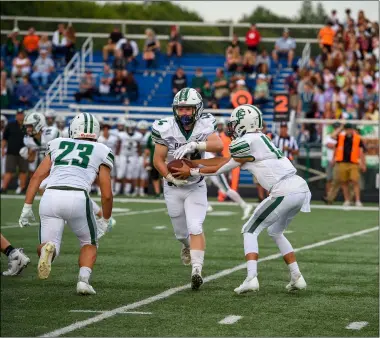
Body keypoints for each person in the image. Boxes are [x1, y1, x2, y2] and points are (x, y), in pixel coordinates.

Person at [172, 104, 311, 294]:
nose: (232, 127)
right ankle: (297, 277)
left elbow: (221, 168)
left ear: (245, 123)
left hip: (284, 189)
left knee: (249, 230)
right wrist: (197, 163)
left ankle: (251, 278)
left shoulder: (246, 141)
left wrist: (192, 170)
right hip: (300, 187)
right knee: (275, 232)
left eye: (235, 123)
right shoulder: (260, 138)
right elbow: (225, 162)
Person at [18, 113, 114, 295]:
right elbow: (106, 194)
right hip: (77, 197)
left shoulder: (57, 143)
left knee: (50, 244)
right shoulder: (102, 149)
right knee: (89, 242)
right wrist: (106, 218)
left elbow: (37, 176)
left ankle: (49, 249)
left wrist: (27, 206)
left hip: (50, 195)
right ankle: (83, 281)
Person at [152, 87, 223, 290]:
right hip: (172, 185)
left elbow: (217, 146)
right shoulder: (164, 127)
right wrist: (169, 177)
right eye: (181, 109)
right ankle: (185, 246)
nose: (184, 113)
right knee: (181, 234)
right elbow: (157, 159)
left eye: (188, 109)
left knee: (195, 227)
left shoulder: (205, 123)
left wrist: (195, 146)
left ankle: (197, 270)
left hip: (196, 184)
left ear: (197, 109)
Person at [204, 150, 253, 220]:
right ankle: (206, 205)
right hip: (205, 168)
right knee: (197, 186)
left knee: (226, 189)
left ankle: (245, 205)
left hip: (214, 167)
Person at [330, 123, 366, 206]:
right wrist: (341, 128)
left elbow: (361, 152)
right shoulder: (341, 137)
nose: (349, 131)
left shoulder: (357, 138)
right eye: (347, 129)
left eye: (350, 129)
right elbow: (332, 136)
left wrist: (363, 163)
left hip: (354, 163)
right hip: (342, 162)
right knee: (344, 182)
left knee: (355, 181)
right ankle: (347, 200)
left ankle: (357, 200)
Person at [1, 109, 28, 193]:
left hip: (24, 152)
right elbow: (4, 138)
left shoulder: (27, 126)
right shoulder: (10, 125)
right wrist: (2, 149)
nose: (20, 116)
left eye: (21, 114)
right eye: (18, 114)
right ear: (16, 116)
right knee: (9, 171)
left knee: (23, 171)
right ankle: (3, 188)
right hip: (11, 152)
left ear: (24, 115)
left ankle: (22, 188)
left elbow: (32, 139)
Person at [114, 120, 142, 196]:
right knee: (120, 173)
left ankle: (127, 191)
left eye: (132, 128)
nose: (130, 129)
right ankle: (116, 190)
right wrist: (116, 156)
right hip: (122, 155)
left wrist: (140, 157)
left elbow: (139, 147)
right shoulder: (121, 135)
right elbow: (118, 146)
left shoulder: (138, 135)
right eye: (129, 128)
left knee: (129, 174)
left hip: (133, 156)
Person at [136, 120, 150, 197]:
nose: (142, 130)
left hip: (146, 157)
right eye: (141, 129)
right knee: (136, 174)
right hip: (137, 156)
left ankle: (142, 190)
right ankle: (136, 190)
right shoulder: (136, 135)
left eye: (144, 129)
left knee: (144, 175)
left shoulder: (149, 135)